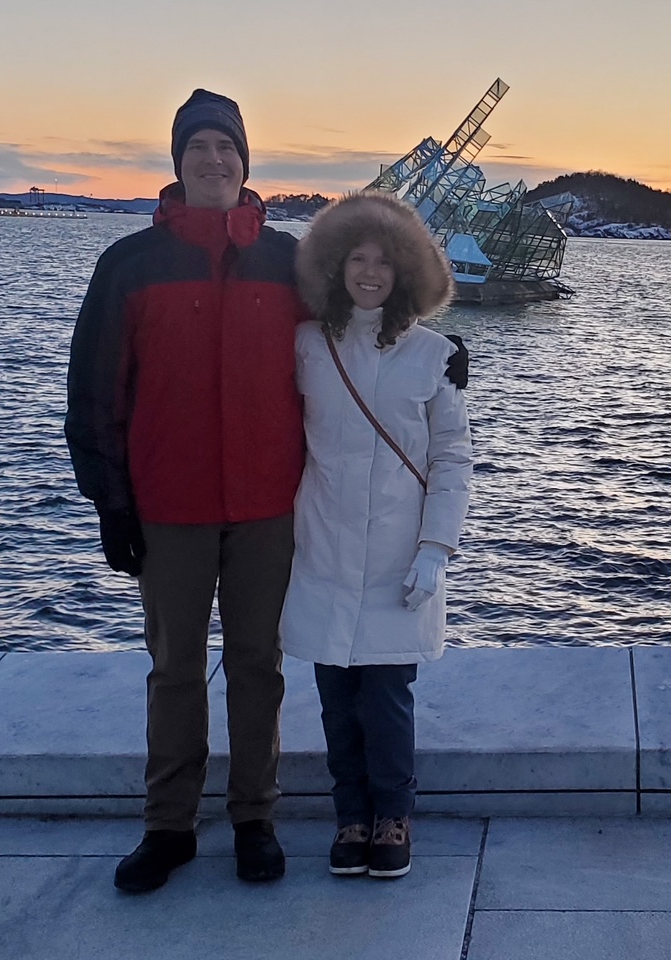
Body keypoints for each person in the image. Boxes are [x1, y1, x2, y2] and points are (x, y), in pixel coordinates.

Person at [65, 89, 307, 894]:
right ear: (177, 163)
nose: (214, 161)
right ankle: (168, 828)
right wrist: (112, 506)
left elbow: (368, 330)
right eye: (198, 148)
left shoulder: (290, 261)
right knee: (173, 670)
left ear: (246, 163)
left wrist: (437, 349)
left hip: (269, 504)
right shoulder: (128, 264)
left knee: (257, 666)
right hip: (167, 506)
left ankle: (254, 820)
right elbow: (93, 398)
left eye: (226, 149)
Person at [279, 191, 473, 879]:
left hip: (398, 552)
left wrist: (436, 549)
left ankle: (393, 814)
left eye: (383, 262)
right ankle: (350, 816)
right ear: (334, 265)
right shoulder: (305, 343)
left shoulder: (435, 355)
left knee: (387, 696)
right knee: (335, 696)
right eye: (356, 258)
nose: (369, 272)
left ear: (405, 272)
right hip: (322, 545)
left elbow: (451, 458)